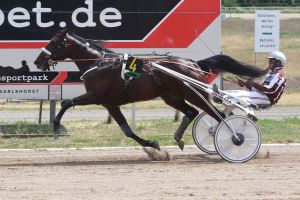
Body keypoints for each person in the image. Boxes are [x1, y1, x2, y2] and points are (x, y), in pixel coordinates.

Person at [213, 51, 287, 107]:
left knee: (240, 95)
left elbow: (270, 90)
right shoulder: (271, 73)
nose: (269, 62)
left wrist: (253, 84)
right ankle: (220, 95)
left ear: (277, 62)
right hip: (262, 95)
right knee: (237, 92)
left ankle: (221, 98)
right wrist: (247, 85)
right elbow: (261, 88)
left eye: (271, 61)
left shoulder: (279, 74)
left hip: (268, 99)